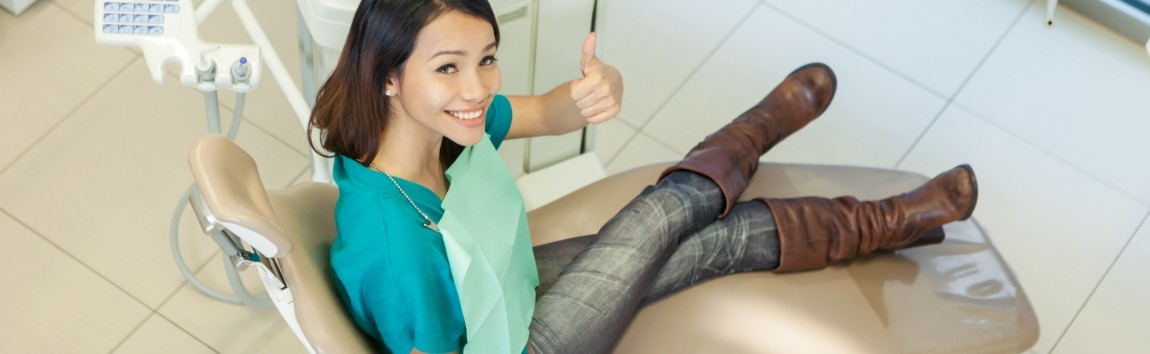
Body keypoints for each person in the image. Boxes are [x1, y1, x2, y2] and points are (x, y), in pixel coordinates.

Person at [307, 0, 978, 353]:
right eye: (448, 67)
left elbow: (544, 110)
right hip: (513, 346)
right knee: (665, 213)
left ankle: (885, 222)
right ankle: (755, 138)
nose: (478, 87)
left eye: (487, 58)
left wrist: (598, 89)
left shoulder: (444, 128)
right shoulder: (395, 245)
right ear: (388, 77)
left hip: (512, 287)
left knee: (705, 243)